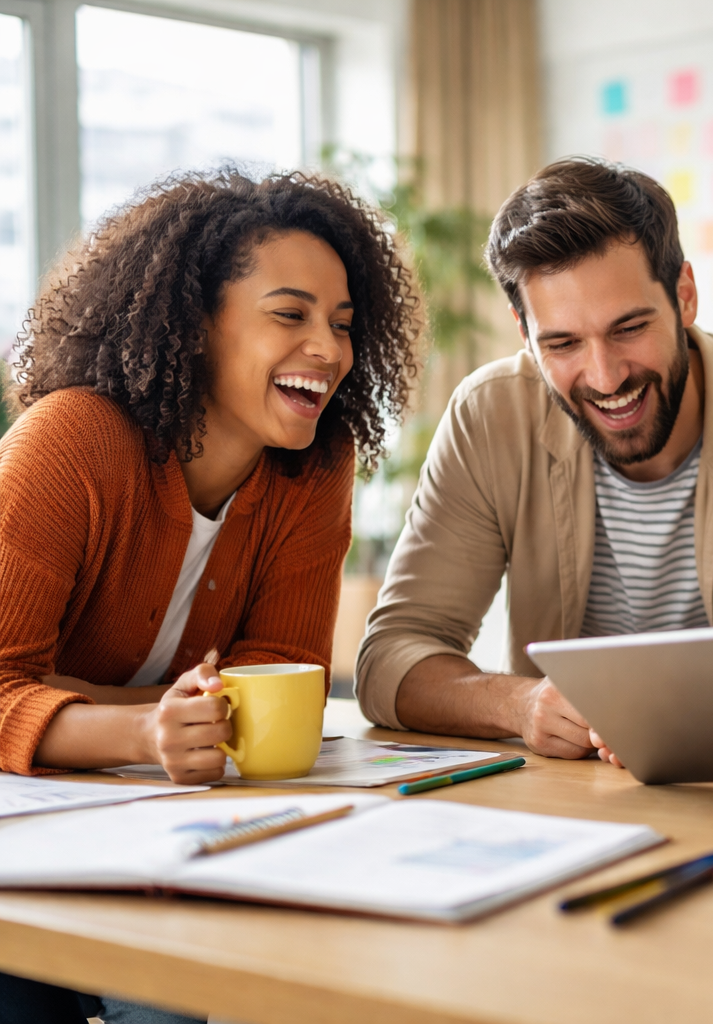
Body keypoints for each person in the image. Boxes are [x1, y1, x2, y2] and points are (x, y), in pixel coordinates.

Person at [0, 170, 420, 1022]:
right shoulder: (70, 441)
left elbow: (280, 681)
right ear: (195, 324)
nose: (331, 350)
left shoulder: (314, 469)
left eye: (342, 325)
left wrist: (105, 711)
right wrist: (140, 727)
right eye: (290, 314)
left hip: (171, 827)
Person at [354, 157, 713, 763]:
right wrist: (520, 705)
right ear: (523, 332)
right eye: (562, 343)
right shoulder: (488, 414)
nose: (605, 377)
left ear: (684, 295)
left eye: (629, 328)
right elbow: (391, 659)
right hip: (572, 802)